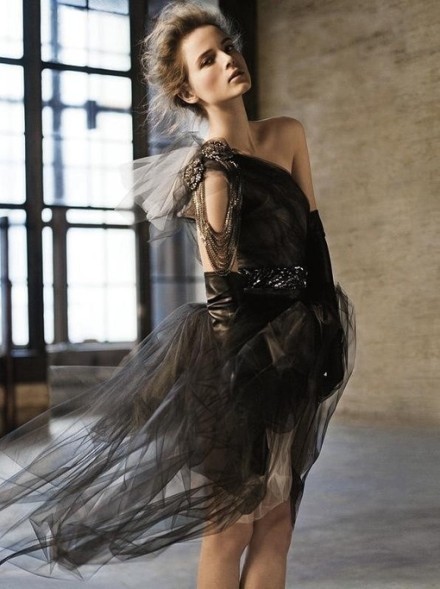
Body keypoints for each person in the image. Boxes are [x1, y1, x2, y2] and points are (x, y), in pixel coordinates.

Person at [0, 2, 355, 587]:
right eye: (207, 60)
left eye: (227, 48)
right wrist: (251, 386)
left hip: (297, 343)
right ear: (188, 91)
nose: (228, 61)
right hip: (237, 360)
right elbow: (224, 295)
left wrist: (325, 333)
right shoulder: (213, 172)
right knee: (230, 529)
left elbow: (314, 241)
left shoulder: (287, 134)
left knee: (277, 524)